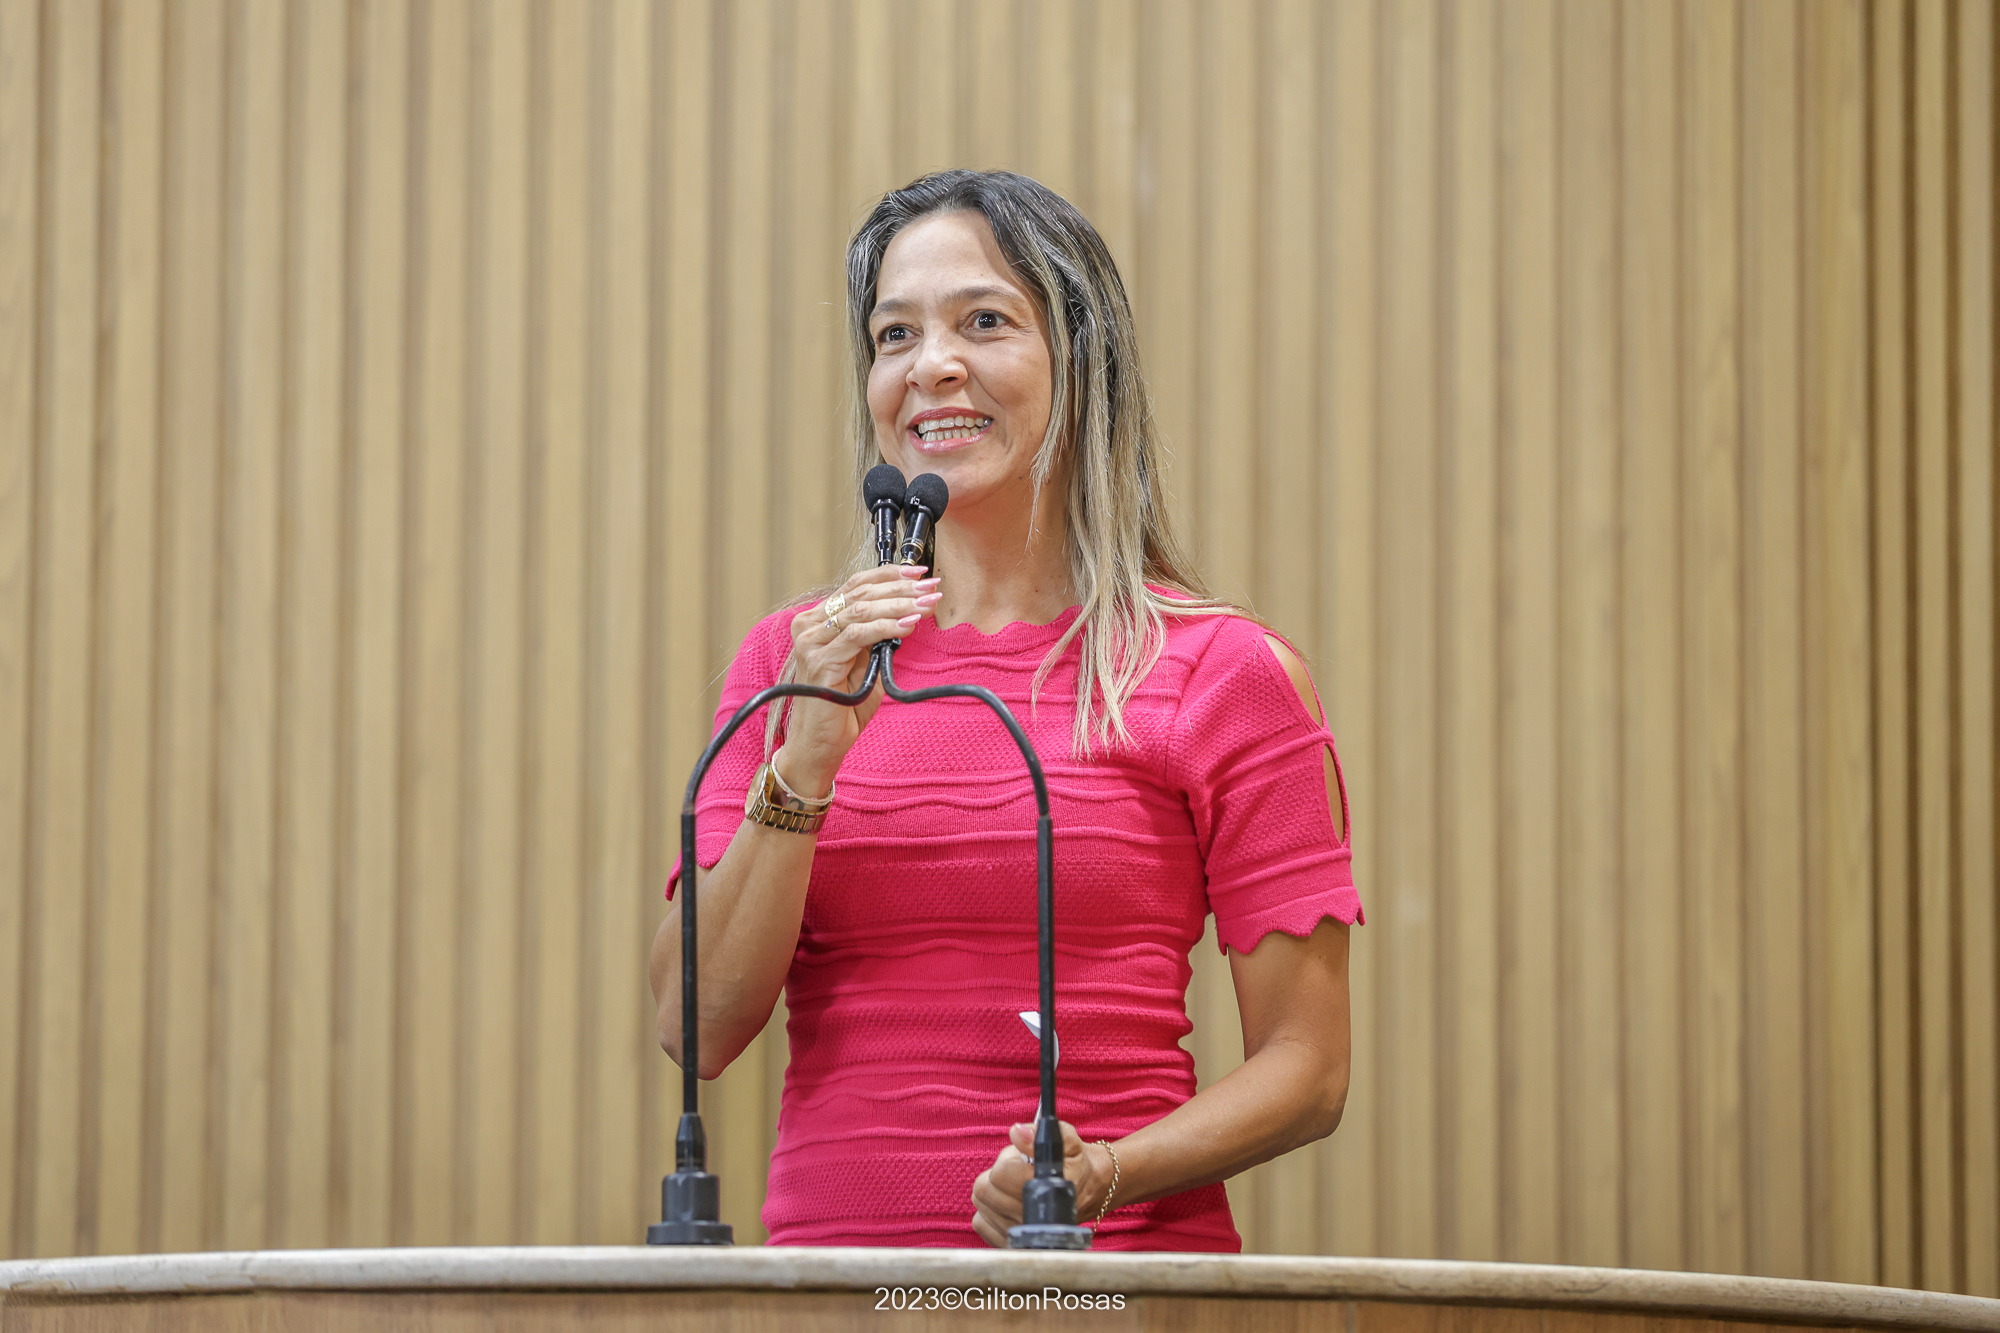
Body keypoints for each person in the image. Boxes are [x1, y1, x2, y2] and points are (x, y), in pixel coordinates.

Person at [650, 169, 1362, 1250]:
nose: (931, 364)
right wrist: (804, 762)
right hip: (835, 1294)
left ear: (1081, 357)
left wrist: (1107, 1173)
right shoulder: (795, 662)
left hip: (1108, 1284)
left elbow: (1307, 1072)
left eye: (983, 321)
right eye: (894, 336)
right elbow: (692, 1028)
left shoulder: (1222, 668)